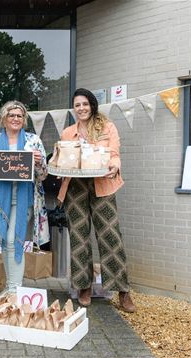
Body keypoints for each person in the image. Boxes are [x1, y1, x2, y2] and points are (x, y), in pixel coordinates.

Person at [57, 88, 136, 312]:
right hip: (75, 187)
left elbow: (114, 153)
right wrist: (60, 168)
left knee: (110, 235)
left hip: (103, 184)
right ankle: (84, 287)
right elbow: (63, 159)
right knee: (79, 237)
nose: (81, 108)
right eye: (77, 105)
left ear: (92, 105)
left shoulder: (107, 127)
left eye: (85, 104)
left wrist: (115, 165)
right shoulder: (67, 132)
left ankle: (123, 291)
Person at [0, 100, 49, 294]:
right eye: (11, 115)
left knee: (12, 240)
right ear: (4, 118)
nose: (16, 119)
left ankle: (15, 289)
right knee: (4, 243)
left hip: (24, 198)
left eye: (19, 115)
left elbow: (43, 175)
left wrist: (40, 163)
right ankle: (9, 288)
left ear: (24, 119)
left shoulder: (33, 141)